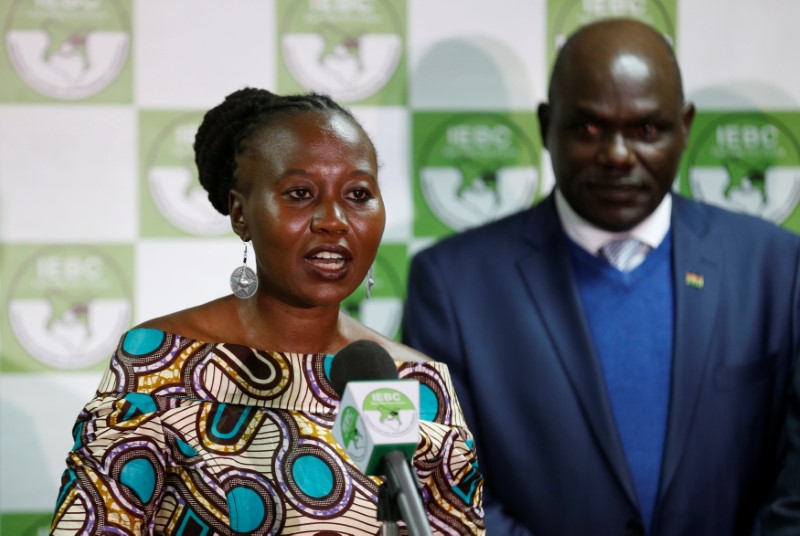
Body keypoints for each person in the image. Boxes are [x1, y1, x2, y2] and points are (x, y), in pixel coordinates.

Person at [402, 17, 800, 536]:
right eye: (589, 128)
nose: (617, 155)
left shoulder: (776, 266)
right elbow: (448, 488)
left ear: (685, 128)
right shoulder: (452, 283)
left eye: (646, 130)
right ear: (547, 126)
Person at [50, 88, 485, 535]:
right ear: (241, 213)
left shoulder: (418, 384)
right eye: (300, 193)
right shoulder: (162, 364)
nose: (334, 220)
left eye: (358, 194)